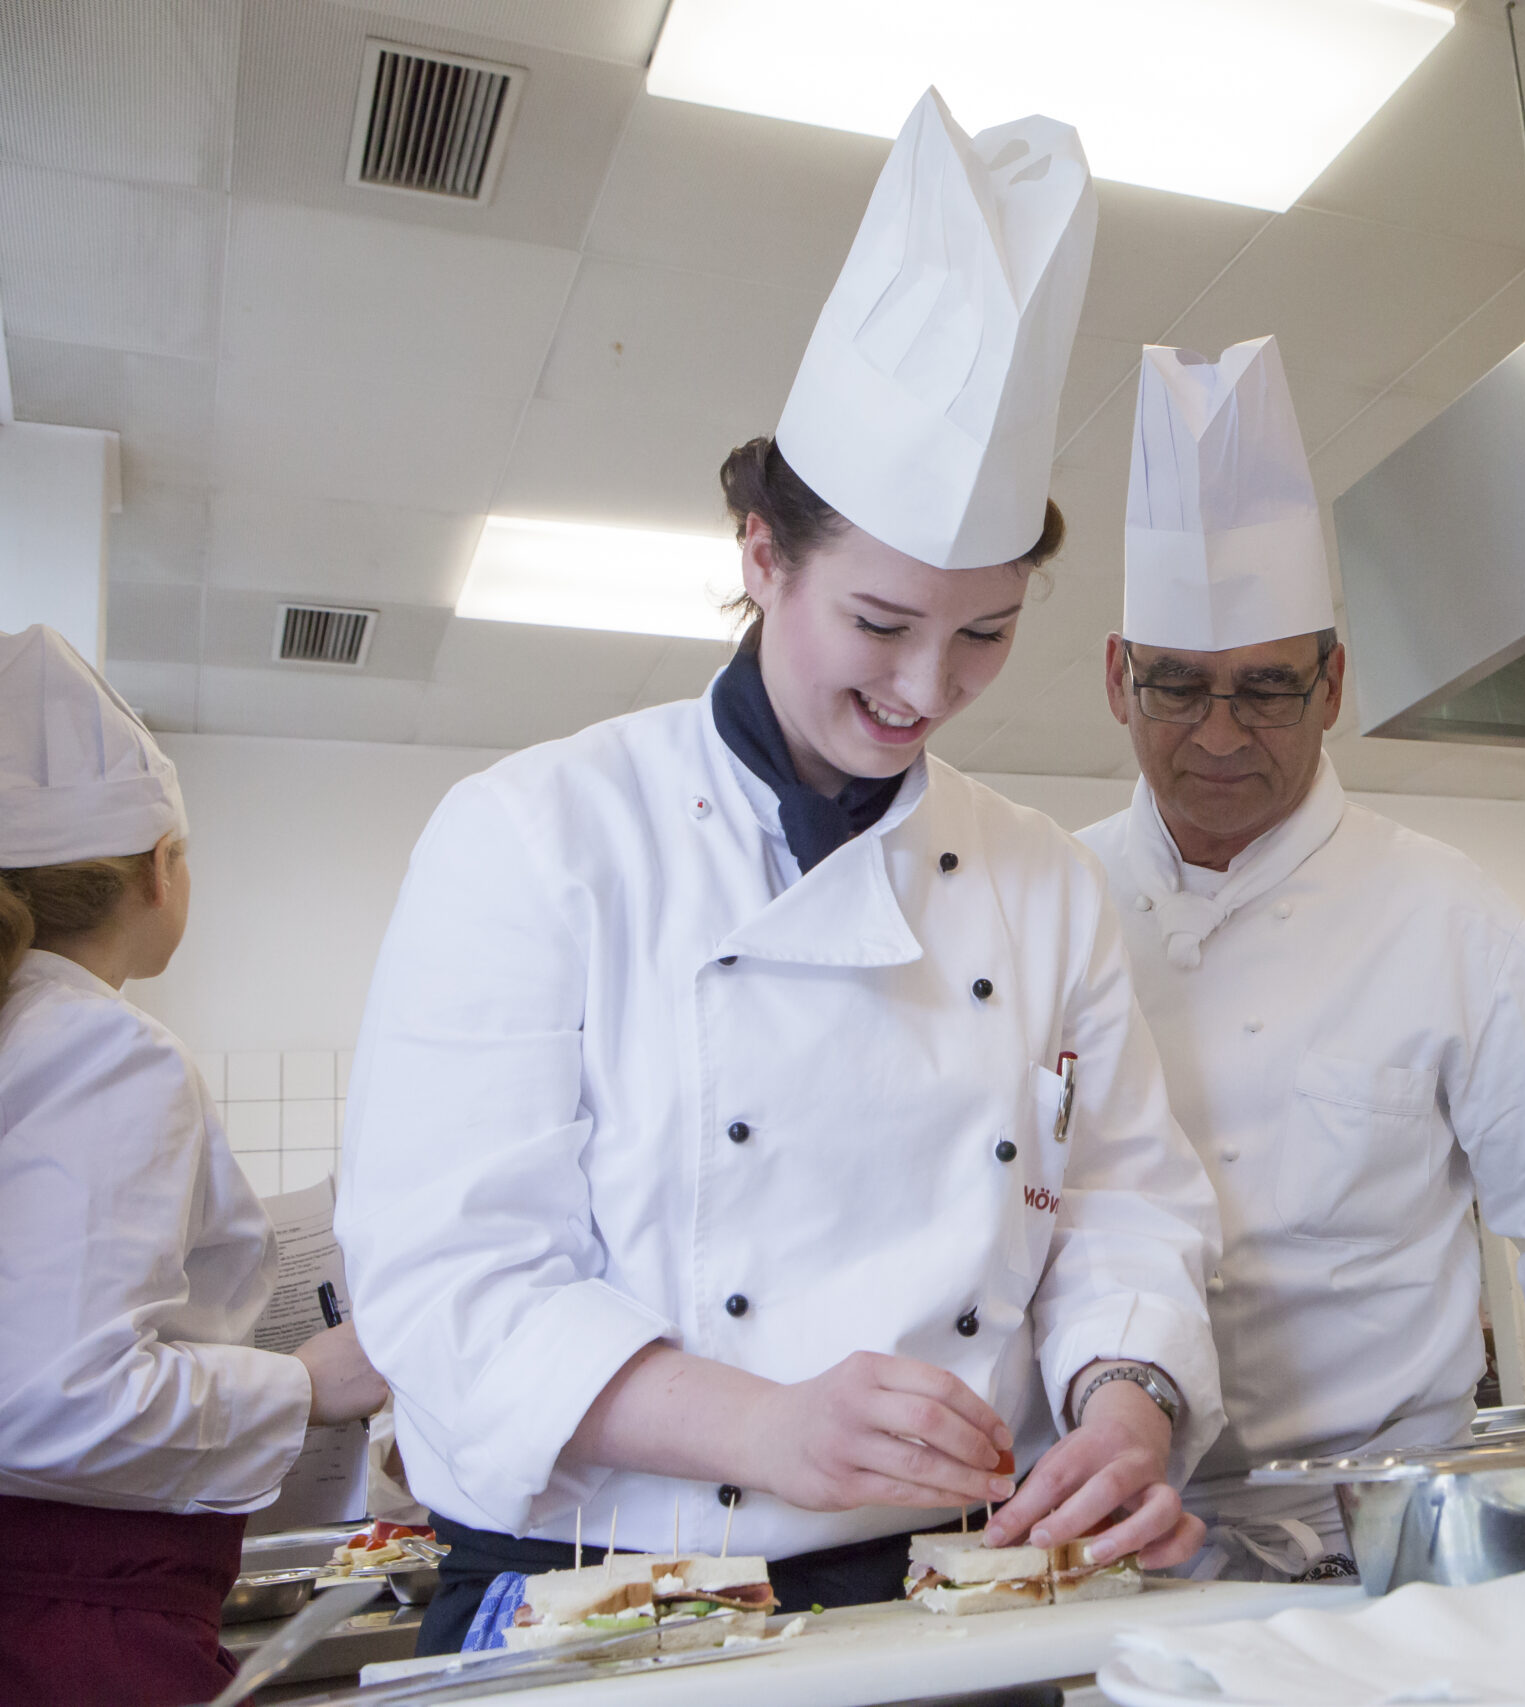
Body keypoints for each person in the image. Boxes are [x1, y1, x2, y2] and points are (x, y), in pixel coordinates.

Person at [337, 90, 1224, 1653]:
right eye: (879, 623)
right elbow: (447, 1274)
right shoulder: (536, 832)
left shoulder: (1039, 878)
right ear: (762, 554)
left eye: (985, 633)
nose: (926, 688)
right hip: (606, 1591)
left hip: (964, 1590)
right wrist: (757, 1425)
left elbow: (1123, 1207)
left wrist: (1127, 1400)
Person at [1078, 338, 1525, 1579]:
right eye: (1178, 690)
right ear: (1115, 680)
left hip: (1382, 1546)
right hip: (1115, 1549)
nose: (1218, 737)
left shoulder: (1438, 910)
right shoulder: (1049, 903)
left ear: (1334, 684)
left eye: (1266, 691)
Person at [0, 625, 387, 1706]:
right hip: (73, 1625)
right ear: (162, 869)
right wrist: (304, 1385)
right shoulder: (96, 1044)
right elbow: (51, 1400)